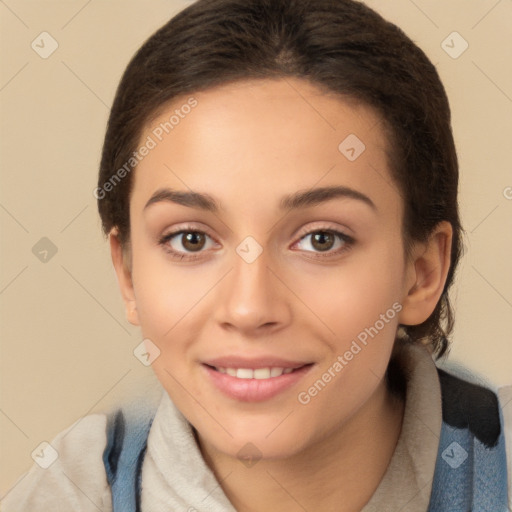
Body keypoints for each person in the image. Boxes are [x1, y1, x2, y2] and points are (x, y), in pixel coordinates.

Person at [2, 0, 510, 510]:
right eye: (191, 239)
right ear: (129, 274)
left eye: (321, 239)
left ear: (422, 274)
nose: (249, 309)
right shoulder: (66, 494)